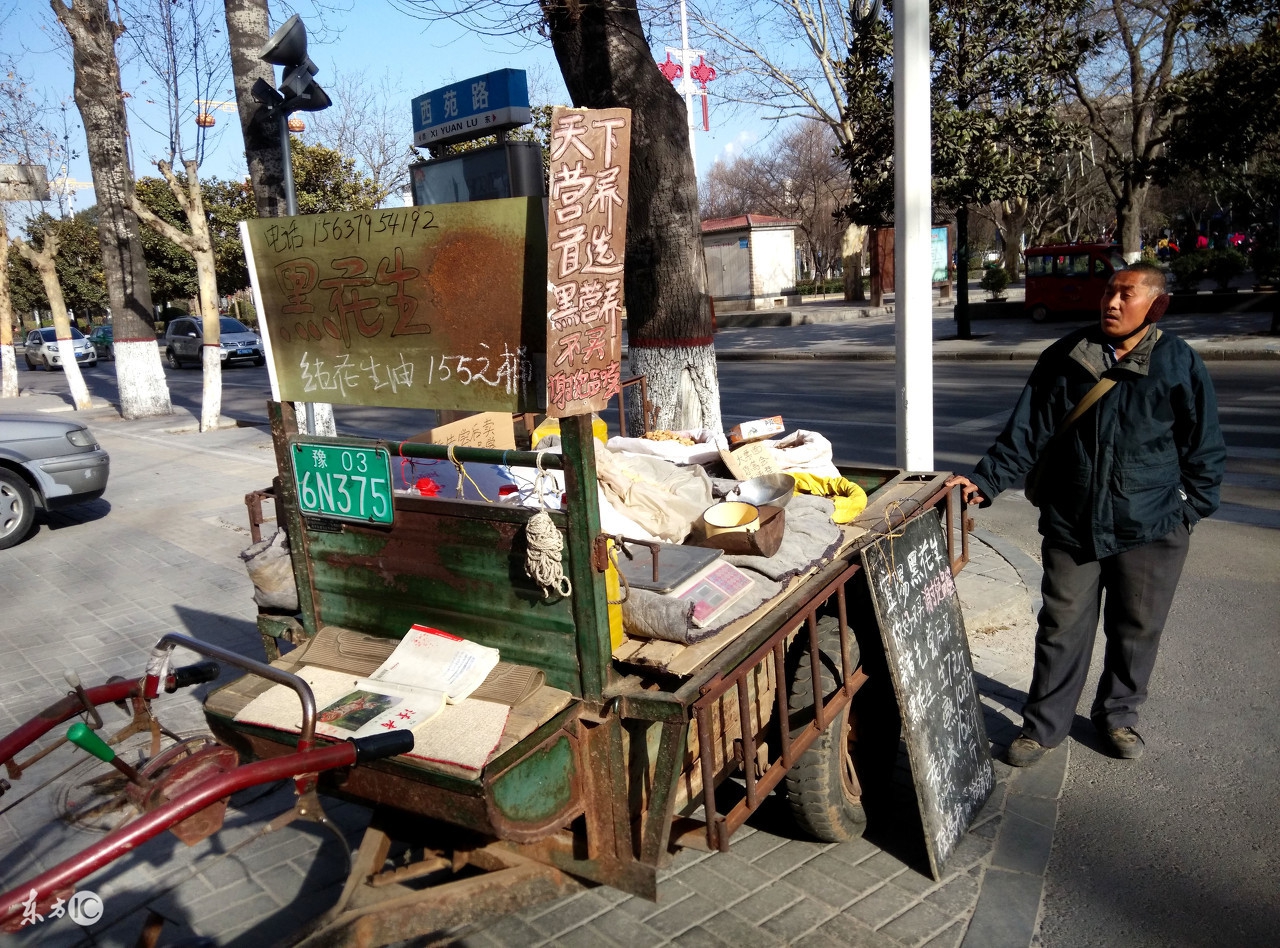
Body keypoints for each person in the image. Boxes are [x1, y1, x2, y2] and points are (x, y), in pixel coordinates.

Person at [946, 263, 1225, 766]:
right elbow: (1025, 432)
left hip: (1151, 526)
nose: (1112, 303)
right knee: (1060, 625)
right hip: (1072, 523)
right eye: (1109, 293)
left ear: (1156, 306)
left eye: (1126, 295)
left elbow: (1204, 449)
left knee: (1136, 629)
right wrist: (984, 481)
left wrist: (1188, 510)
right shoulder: (1067, 357)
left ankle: (1117, 716)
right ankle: (1043, 726)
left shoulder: (1178, 363)